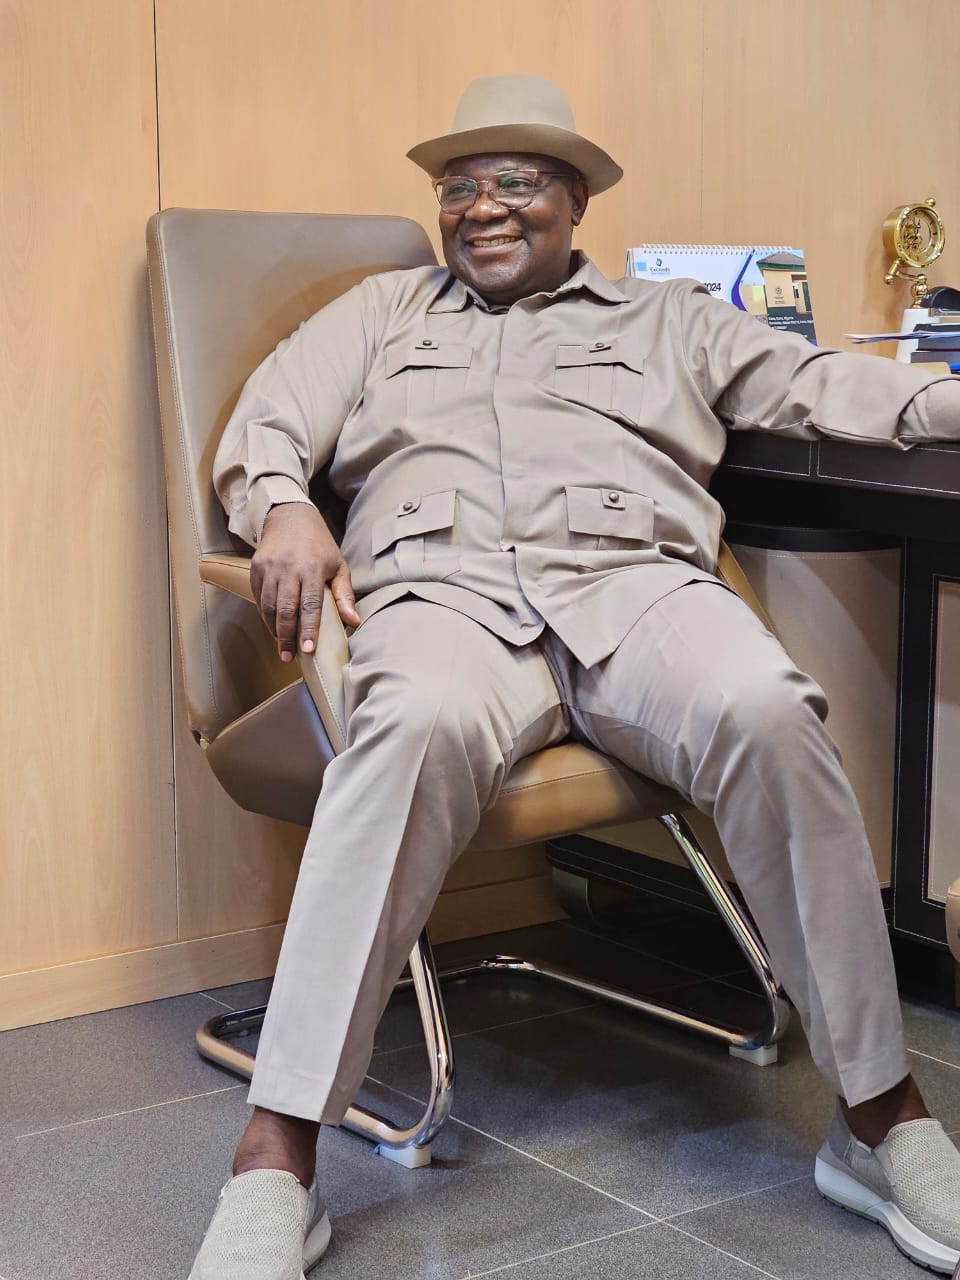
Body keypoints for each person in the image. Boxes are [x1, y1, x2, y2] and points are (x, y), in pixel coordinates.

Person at [190, 75, 960, 1279]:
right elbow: (270, 420)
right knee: (407, 725)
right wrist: (284, 506)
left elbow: (824, 384)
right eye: (460, 185)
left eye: (518, 180)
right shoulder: (381, 312)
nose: (483, 205)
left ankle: (879, 1119)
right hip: (441, 597)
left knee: (770, 710)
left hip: (635, 587)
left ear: (578, 200)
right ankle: (275, 1158)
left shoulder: (668, 319)